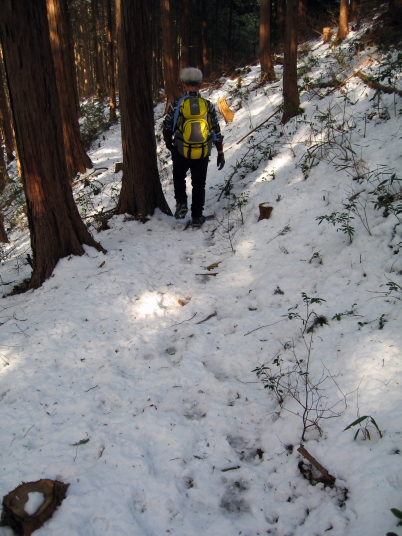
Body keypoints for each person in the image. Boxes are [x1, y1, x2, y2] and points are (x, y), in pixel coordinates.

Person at [162, 67, 225, 227]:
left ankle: (181, 203)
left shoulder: (177, 103)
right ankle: (197, 216)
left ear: (183, 84)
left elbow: (167, 125)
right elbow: (215, 130)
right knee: (199, 184)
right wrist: (220, 152)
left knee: (179, 178)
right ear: (200, 84)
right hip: (202, 150)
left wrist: (169, 143)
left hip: (180, 148)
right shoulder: (207, 105)